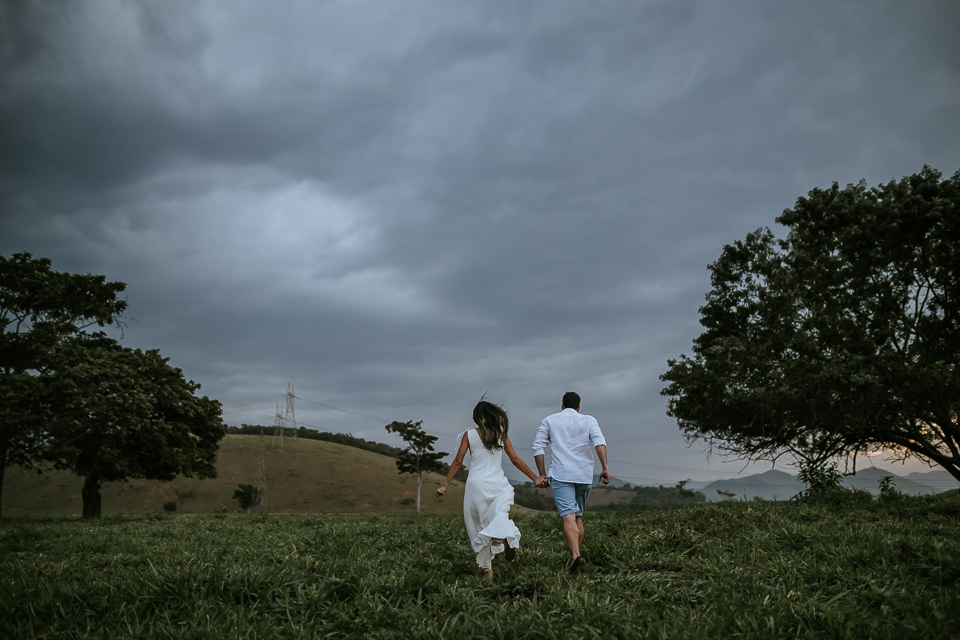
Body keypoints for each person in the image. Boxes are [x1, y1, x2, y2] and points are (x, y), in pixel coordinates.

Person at [436, 398, 548, 577]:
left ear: (477, 417)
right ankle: (507, 537)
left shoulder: (469, 434)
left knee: (479, 527)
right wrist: (535, 477)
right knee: (499, 514)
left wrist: (445, 485)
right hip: (498, 484)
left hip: (476, 485)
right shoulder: (501, 435)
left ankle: (489, 575)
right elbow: (515, 459)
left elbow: (458, 461)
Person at [533, 391, 609, 573]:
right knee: (578, 516)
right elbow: (599, 443)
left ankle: (575, 556)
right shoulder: (589, 420)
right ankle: (576, 558)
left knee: (568, 516)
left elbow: (538, 448)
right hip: (583, 474)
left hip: (561, 474)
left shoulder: (549, 420)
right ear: (579, 407)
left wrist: (542, 474)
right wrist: (605, 467)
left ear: (562, 405)